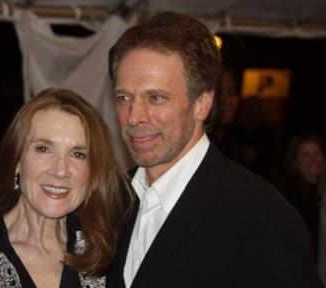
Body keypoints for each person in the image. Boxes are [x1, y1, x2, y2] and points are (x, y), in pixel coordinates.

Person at [106, 11, 323, 288]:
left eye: (156, 97)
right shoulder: (115, 201)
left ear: (202, 103)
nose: (134, 116)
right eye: (124, 97)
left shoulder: (260, 215)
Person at [0, 88, 130, 287]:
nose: (60, 170)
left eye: (78, 154)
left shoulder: (106, 257)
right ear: (16, 161)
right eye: (43, 149)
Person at [281, 134, 325, 256]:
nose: (313, 159)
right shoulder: (291, 198)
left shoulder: (321, 192)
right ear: (295, 162)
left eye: (317, 153)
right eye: (306, 155)